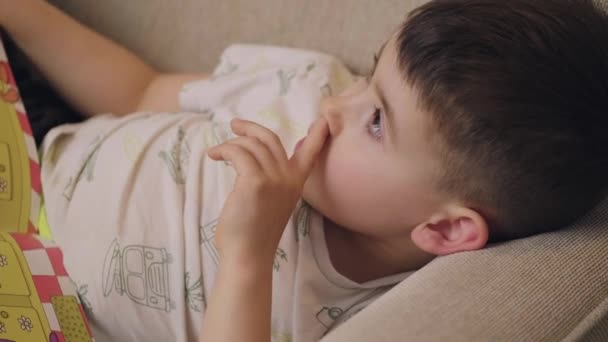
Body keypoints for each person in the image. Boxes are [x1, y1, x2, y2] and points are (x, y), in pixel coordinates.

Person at [3, 0, 608, 341]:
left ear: (446, 231)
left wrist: (247, 252)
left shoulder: (358, 312)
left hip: (37, 307)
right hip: (28, 141)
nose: (335, 105)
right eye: (371, 74)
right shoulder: (304, 85)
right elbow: (141, 91)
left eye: (375, 121)